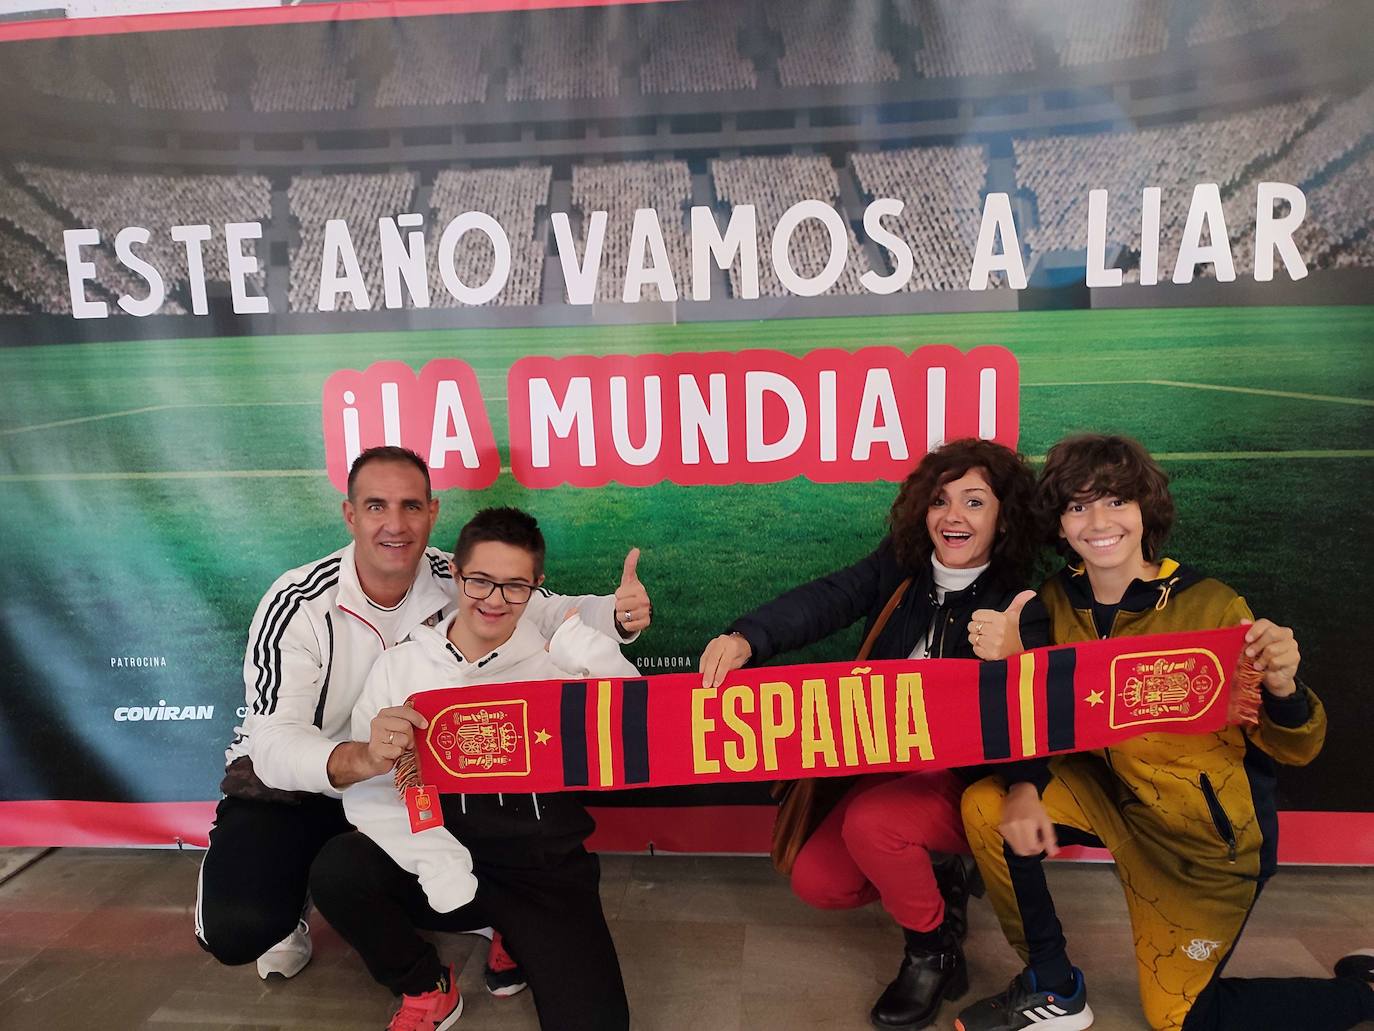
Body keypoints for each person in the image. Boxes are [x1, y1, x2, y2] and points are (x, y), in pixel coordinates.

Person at [955, 433, 1374, 1031]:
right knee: (988, 803)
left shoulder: (1211, 606)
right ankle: (1053, 988)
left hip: (1201, 846)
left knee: (1180, 1021)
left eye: (1116, 501)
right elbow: (1041, 713)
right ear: (1061, 523)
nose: (1098, 521)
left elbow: (1296, 748)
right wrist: (1013, 666)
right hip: (1114, 801)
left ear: (1145, 509)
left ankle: (1365, 993)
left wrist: (1284, 687)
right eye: (1077, 506)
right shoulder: (1052, 601)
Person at [194, 446, 651, 990]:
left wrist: (613, 616)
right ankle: (298, 901)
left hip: (410, 780)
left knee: (470, 839)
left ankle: (499, 918)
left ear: (433, 513)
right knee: (239, 928)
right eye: (376, 506)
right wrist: (359, 758)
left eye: (411, 506)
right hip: (306, 785)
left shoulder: (452, 574)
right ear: (349, 514)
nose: (395, 524)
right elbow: (270, 743)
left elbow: (545, 607)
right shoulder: (297, 603)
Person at [698, 438, 1050, 1030]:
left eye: (975, 501)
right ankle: (937, 881)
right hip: (882, 763)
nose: (953, 517)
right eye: (940, 501)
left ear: (1005, 517)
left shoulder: (1025, 599)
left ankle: (931, 950)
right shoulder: (900, 566)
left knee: (872, 825)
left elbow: (1053, 705)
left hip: (970, 783)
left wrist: (1023, 656)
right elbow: (829, 598)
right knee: (818, 882)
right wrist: (746, 638)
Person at [311, 506, 634, 1031]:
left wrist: (600, 657)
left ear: (537, 587)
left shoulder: (559, 664)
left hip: (540, 869)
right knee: (339, 870)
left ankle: (512, 935)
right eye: (480, 581)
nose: (494, 600)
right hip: (443, 854)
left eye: (514, 587)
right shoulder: (402, 667)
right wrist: (439, 860)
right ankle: (424, 984)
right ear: (456, 576)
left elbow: (636, 732)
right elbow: (375, 793)